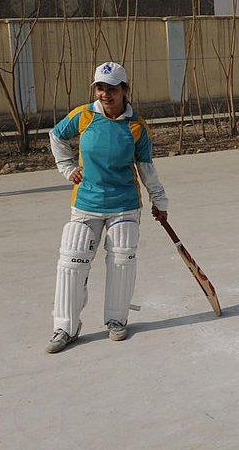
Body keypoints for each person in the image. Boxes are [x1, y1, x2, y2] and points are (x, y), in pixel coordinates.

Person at [46, 62, 169, 354]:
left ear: (125, 91)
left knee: (121, 260)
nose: (105, 94)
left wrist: (159, 201)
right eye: (100, 88)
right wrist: (66, 168)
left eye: (112, 89)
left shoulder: (136, 126)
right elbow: (56, 136)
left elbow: (146, 167)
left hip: (124, 204)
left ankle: (116, 320)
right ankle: (65, 328)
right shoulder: (84, 115)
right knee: (72, 261)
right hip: (86, 203)